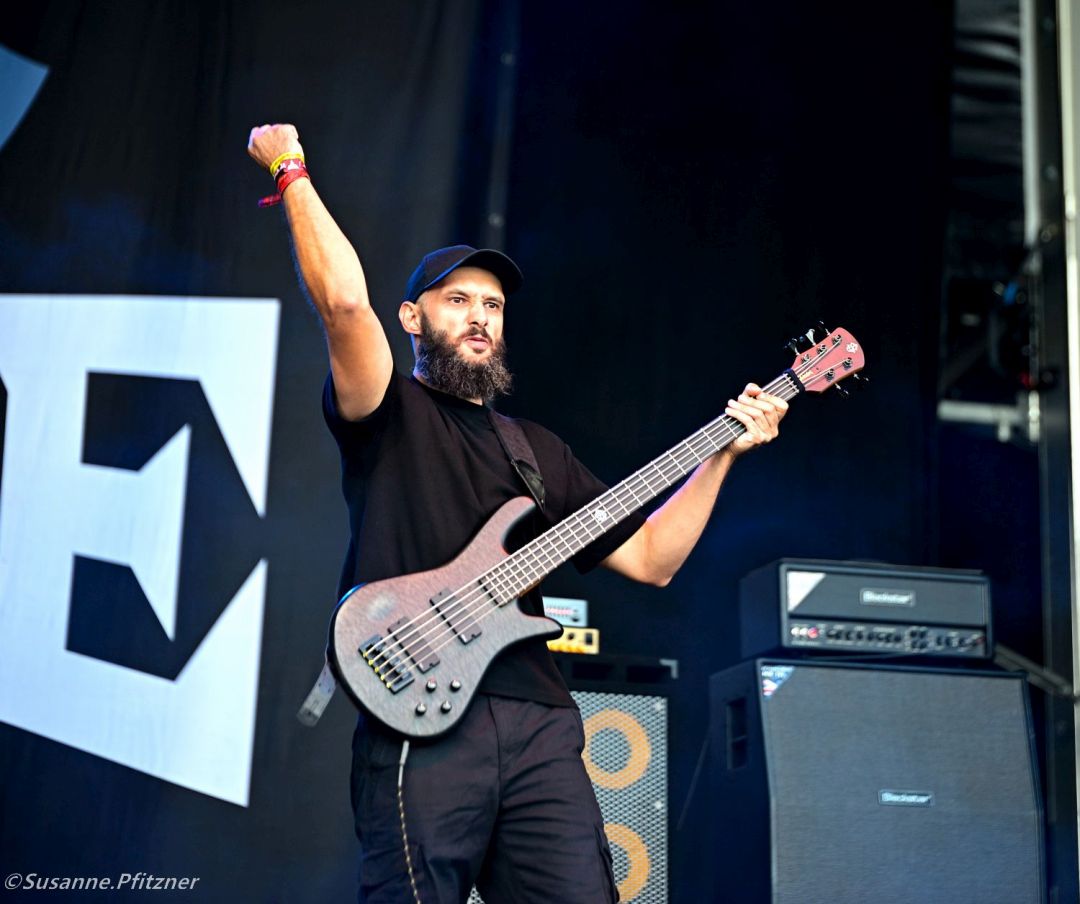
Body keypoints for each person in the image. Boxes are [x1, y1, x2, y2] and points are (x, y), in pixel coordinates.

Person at [247, 123, 787, 904]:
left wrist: (723, 455)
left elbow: (654, 560)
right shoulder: (386, 411)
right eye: (458, 300)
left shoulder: (536, 450)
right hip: (424, 713)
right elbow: (341, 303)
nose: (479, 317)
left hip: (539, 723)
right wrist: (291, 171)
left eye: (493, 306)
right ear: (412, 317)